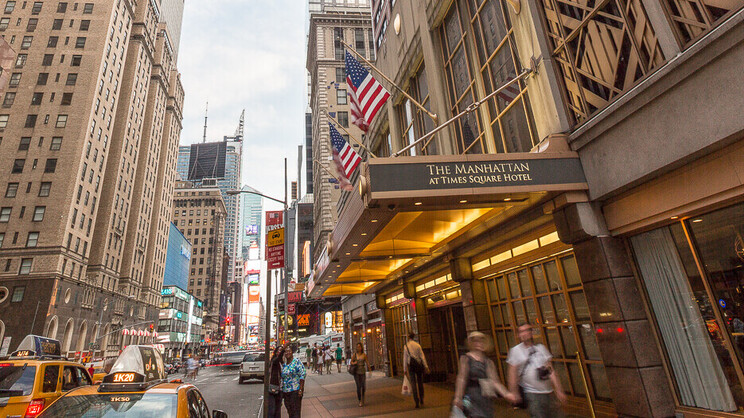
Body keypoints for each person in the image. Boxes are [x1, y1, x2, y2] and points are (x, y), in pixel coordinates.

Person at [508, 323, 567, 418]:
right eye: (522, 331)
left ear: (531, 333)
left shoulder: (541, 348)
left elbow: (551, 371)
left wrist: (559, 390)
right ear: (518, 334)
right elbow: (512, 373)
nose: (525, 333)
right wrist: (513, 392)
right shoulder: (516, 351)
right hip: (532, 393)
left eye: (527, 330)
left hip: (548, 391)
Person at [453, 332, 514, 417]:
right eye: (476, 342)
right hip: (471, 396)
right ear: (471, 344)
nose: (479, 344)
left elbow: (495, 381)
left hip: (485, 397)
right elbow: (461, 378)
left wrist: (506, 393)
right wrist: (458, 397)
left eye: (482, 342)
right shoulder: (466, 359)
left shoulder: (488, 362)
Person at [403, 332, 429, 408]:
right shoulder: (418, 345)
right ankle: (421, 398)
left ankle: (416, 401)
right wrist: (426, 366)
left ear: (408, 337)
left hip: (411, 366)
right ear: (414, 337)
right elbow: (422, 356)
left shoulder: (406, 346)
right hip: (419, 365)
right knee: (420, 382)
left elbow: (405, 358)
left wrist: (404, 369)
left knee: (413, 383)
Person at [281, 345, 306, 418]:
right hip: (286, 392)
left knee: (295, 412)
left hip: (295, 391)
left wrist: (301, 389)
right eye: (286, 352)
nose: (287, 353)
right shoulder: (284, 365)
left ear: (292, 352)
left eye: (289, 351)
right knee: (290, 412)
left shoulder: (296, 362)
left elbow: (302, 374)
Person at [268, 343, 287, 418]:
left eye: (281, 350)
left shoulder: (281, 362)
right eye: (279, 350)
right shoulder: (275, 360)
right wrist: (283, 348)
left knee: (278, 409)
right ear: (276, 352)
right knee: (272, 410)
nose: (280, 351)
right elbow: (279, 357)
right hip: (273, 387)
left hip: (280, 388)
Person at [350, 342, 369, 407]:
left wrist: (369, 369)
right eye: (357, 347)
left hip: (362, 371)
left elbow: (367, 362)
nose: (358, 348)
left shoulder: (364, 355)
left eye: (359, 346)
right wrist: (354, 362)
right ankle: (360, 400)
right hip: (356, 372)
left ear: (361, 347)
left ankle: (363, 397)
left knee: (363, 386)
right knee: (358, 386)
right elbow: (351, 362)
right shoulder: (355, 355)